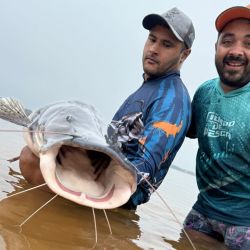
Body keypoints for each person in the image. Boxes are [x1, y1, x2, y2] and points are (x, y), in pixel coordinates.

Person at [19, 7, 195, 209]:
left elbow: (145, 168)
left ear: (184, 54)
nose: (154, 49)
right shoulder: (146, 90)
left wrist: (87, 177)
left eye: (167, 44)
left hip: (113, 199)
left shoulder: (173, 99)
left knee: (29, 158)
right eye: (152, 39)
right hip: (98, 181)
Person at [183, 5, 250, 250]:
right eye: (227, 41)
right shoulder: (204, 93)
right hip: (203, 210)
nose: (236, 51)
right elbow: (178, 132)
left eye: (249, 44)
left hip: (245, 224)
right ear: (216, 48)